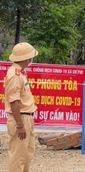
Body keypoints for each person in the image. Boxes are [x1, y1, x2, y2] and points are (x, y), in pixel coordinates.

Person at [5, 42, 38, 172]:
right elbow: (14, 102)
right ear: (26, 58)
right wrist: (20, 125)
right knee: (18, 156)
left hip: (26, 117)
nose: (31, 59)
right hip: (21, 119)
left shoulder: (21, 72)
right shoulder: (15, 75)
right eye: (30, 57)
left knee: (27, 153)